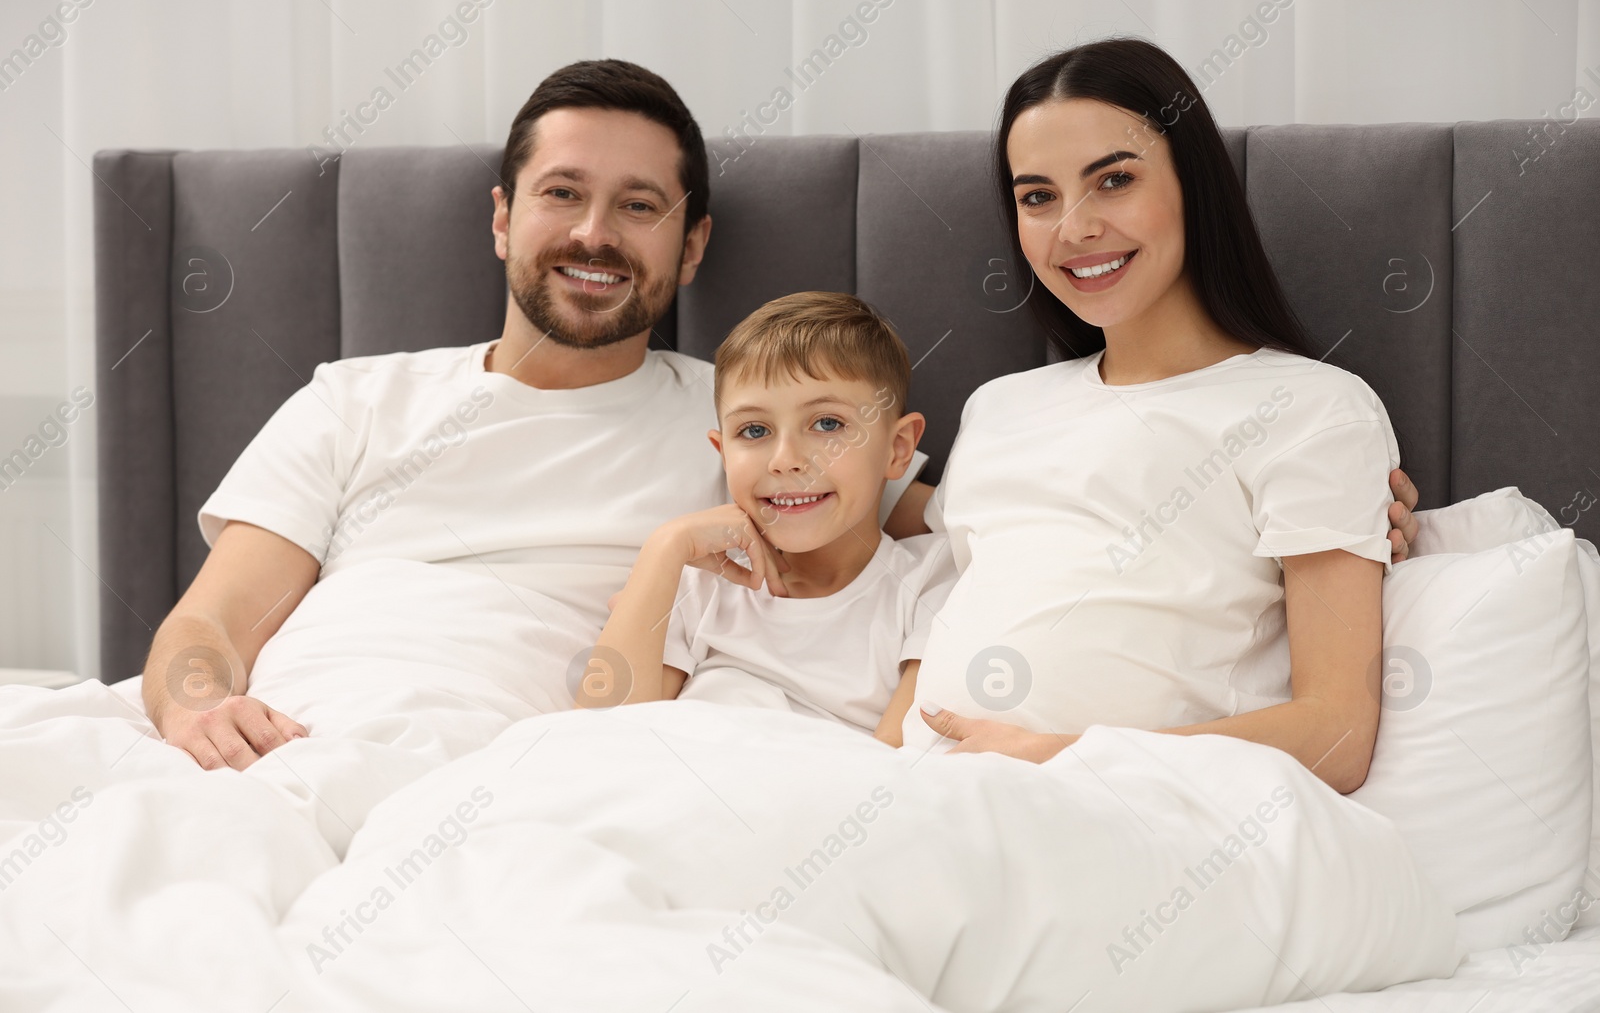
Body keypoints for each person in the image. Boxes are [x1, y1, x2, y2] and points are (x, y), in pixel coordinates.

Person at [138, 55, 1421, 773]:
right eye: (563, 195)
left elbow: (1016, 526)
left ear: (692, 247)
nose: (593, 232)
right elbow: (209, 622)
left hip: (507, 762)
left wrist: (1348, 509)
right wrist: (196, 702)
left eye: (639, 206)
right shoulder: (358, 398)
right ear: (500, 216)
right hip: (273, 741)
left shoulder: (762, 429)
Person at [908, 37, 1406, 794]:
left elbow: (1335, 733)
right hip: (924, 792)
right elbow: (909, 537)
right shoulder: (1000, 408)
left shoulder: (1312, 408)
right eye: (1037, 196)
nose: (1073, 228)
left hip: (1137, 818)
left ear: (1192, 185)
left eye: (1113, 180)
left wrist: (1061, 756)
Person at [582, 293, 956, 746]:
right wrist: (665, 547)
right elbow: (598, 740)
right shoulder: (699, 581)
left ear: (898, 449)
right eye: (754, 431)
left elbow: (898, 763)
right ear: (723, 455)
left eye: (827, 424)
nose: (785, 460)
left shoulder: (933, 579)